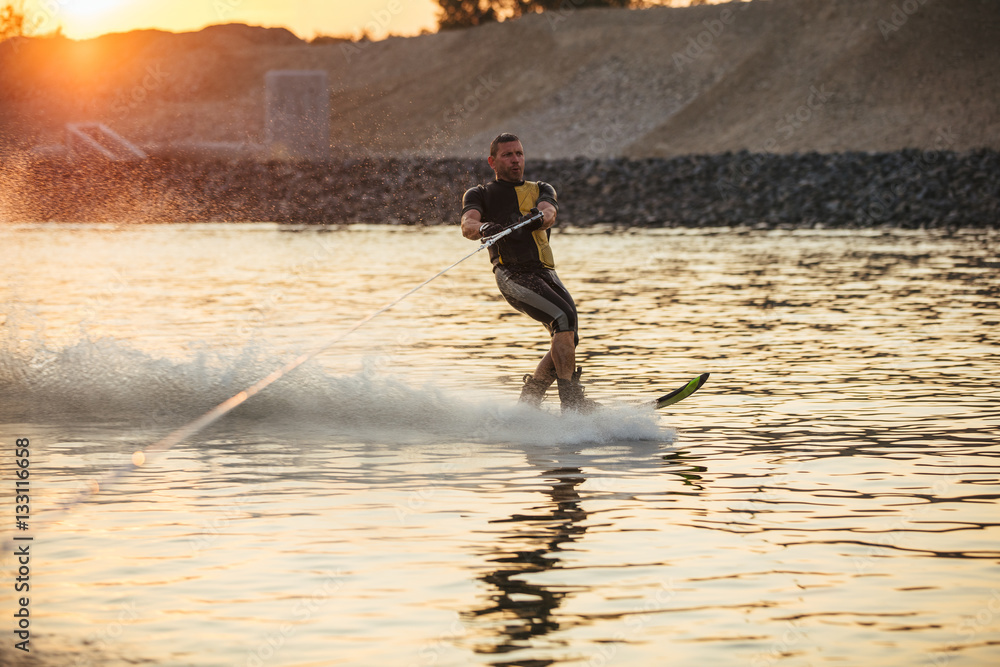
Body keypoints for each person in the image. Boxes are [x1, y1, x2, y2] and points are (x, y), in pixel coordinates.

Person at [460, 132, 597, 413]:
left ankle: (529, 401)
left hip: (545, 271)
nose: (515, 160)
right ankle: (571, 402)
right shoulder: (480, 194)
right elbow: (467, 224)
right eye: (508, 155)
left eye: (519, 154)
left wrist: (538, 216)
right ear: (492, 161)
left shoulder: (540, 189)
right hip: (512, 274)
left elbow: (549, 213)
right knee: (563, 317)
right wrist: (484, 228)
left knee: (570, 333)